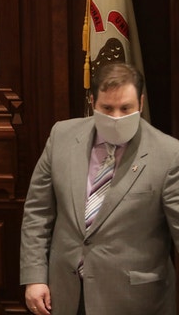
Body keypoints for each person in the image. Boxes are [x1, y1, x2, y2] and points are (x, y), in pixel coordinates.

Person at [20, 62, 179, 315]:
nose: (116, 117)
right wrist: (34, 276)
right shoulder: (61, 136)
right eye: (107, 108)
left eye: (125, 108)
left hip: (135, 300)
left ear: (141, 102)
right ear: (93, 101)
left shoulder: (169, 154)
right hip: (67, 292)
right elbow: (38, 211)